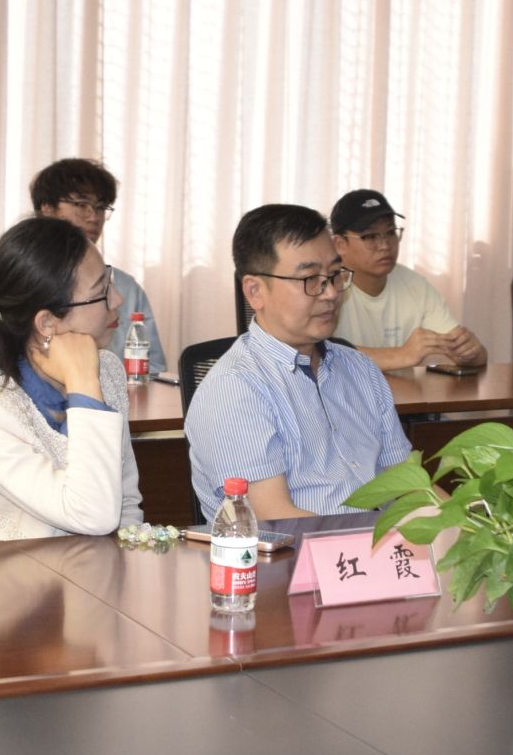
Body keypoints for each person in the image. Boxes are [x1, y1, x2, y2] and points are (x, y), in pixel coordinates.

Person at [0, 216, 141, 543]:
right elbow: (93, 514)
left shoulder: (107, 370)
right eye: (101, 292)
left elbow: (125, 502)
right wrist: (83, 385)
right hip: (1, 572)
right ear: (47, 323)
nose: (117, 299)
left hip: (87, 568)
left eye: (109, 280)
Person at [186, 203, 413, 523]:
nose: (330, 293)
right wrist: (375, 544)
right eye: (310, 279)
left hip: (386, 546)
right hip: (303, 553)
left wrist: (465, 524)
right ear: (255, 291)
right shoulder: (233, 389)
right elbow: (276, 522)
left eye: (335, 275)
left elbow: (410, 485)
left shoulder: (360, 369)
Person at [31, 157, 166, 375]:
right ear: (47, 208)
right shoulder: (21, 281)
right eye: (81, 205)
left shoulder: (126, 287)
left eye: (101, 207)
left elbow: (153, 370)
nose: (94, 217)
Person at [329, 189, 486, 371]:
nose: (385, 245)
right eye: (370, 236)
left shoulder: (415, 285)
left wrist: (470, 352)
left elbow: (476, 355)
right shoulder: (327, 288)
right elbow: (318, 355)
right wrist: (402, 354)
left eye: (390, 232)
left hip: (403, 390)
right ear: (340, 244)